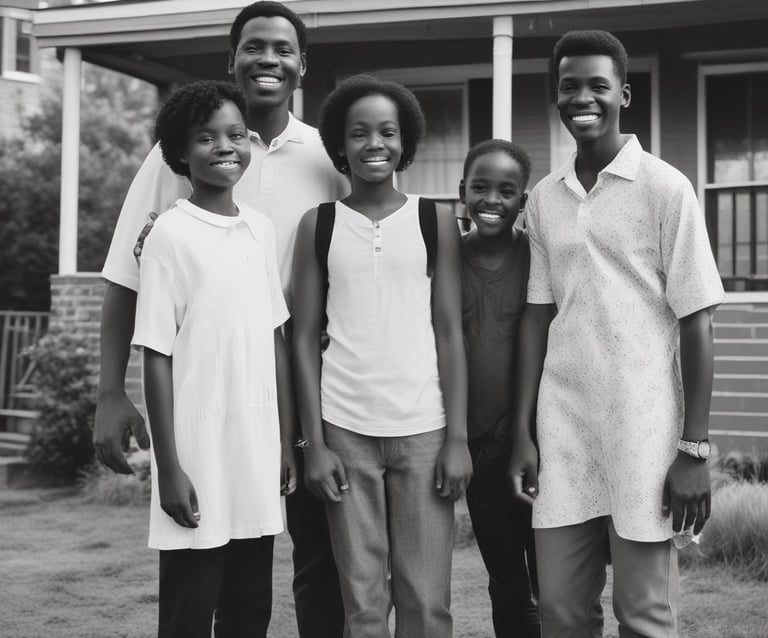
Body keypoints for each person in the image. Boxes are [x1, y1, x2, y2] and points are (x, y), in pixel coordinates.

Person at [94, 3, 347, 636]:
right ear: (230, 60)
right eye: (254, 47)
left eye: (283, 49)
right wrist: (108, 392)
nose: (269, 59)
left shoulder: (325, 157)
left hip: (302, 397)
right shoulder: (174, 153)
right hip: (206, 408)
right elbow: (127, 276)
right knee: (195, 583)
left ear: (302, 65)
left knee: (311, 568)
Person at [507, 30, 725, 637]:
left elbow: (698, 318)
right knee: (561, 612)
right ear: (556, 96)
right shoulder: (546, 200)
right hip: (564, 428)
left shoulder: (665, 188)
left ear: (623, 93)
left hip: (646, 432)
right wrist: (524, 433)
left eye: (598, 85)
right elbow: (536, 316)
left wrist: (694, 450)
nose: (583, 97)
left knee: (645, 614)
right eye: (569, 86)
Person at [291, 74, 473, 637]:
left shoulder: (433, 219)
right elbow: (301, 338)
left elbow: (449, 331)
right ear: (339, 145)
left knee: (425, 602)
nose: (375, 143)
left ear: (405, 142)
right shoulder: (318, 224)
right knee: (364, 605)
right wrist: (312, 445)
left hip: (424, 431)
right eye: (360, 133)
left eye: (388, 132)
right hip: (344, 431)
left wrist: (458, 438)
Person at [132, 80, 295, 637]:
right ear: (180, 154)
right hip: (196, 455)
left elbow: (275, 336)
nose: (225, 147)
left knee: (250, 607)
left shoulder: (260, 229)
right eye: (206, 138)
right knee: (189, 608)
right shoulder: (169, 236)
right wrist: (169, 469)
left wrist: (286, 440)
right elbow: (155, 354)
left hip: (254, 449)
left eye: (235, 134)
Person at [459, 139, 540, 637]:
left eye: (507, 191)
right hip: (476, 447)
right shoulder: (444, 256)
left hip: (537, 440)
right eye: (480, 187)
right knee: (505, 577)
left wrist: (525, 429)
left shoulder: (537, 255)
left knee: (557, 577)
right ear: (461, 192)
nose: (492, 199)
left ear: (523, 202)